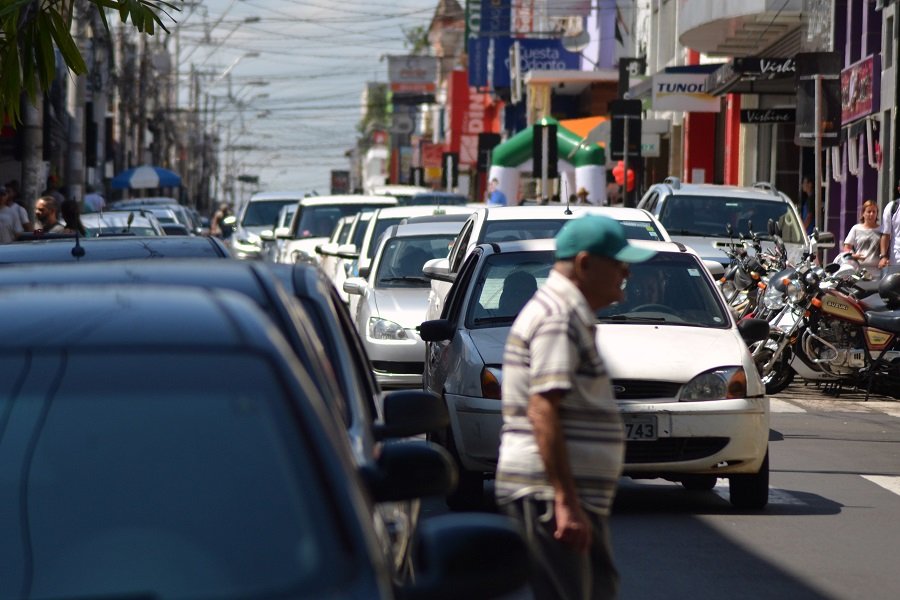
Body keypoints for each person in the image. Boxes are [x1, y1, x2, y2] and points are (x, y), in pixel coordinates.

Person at [495, 215, 656, 600]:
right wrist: (564, 500)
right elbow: (542, 409)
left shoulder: (567, 313)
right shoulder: (558, 317)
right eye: (618, 263)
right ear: (585, 264)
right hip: (549, 494)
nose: (626, 273)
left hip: (564, 494)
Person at [843, 200, 881, 277]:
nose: (871, 214)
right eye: (869, 211)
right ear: (863, 213)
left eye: (874, 212)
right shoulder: (856, 228)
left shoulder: (882, 229)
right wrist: (854, 255)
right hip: (859, 270)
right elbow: (847, 247)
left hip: (878, 271)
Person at [879, 178, 900, 271]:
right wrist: (883, 256)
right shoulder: (892, 207)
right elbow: (886, 234)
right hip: (897, 261)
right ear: (899, 189)